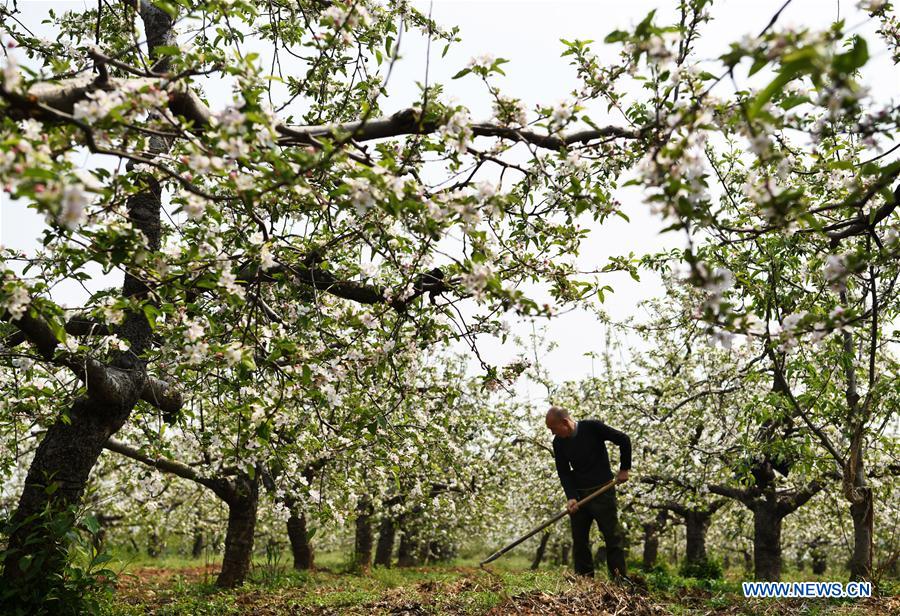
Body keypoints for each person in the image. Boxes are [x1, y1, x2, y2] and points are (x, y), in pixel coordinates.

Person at [546, 405, 631, 580]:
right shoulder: (559, 443)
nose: (553, 433)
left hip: (603, 491)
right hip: (579, 496)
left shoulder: (593, 428)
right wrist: (571, 497)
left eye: (553, 428)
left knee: (612, 537)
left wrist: (624, 469)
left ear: (564, 422)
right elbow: (563, 471)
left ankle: (620, 581)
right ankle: (585, 582)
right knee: (580, 542)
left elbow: (623, 439)